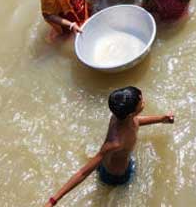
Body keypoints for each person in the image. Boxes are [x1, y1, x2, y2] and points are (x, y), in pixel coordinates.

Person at [44, 87, 175, 206]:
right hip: (116, 176)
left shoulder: (122, 116)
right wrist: (53, 200)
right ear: (131, 113)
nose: (144, 101)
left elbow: (137, 121)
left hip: (120, 160)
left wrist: (161, 119)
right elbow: (83, 172)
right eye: (141, 101)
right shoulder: (115, 143)